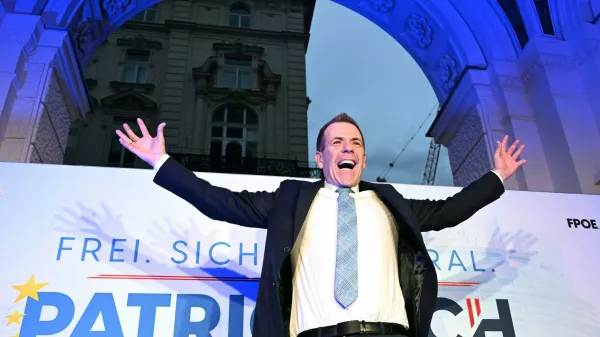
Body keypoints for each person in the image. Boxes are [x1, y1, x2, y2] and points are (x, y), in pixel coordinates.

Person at [116, 113, 526, 337]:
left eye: (356, 144)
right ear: (320, 157)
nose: (348, 149)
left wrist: (497, 177)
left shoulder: (390, 202)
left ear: (363, 160)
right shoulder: (289, 199)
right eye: (337, 143)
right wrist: (162, 163)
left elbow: (449, 210)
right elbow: (219, 203)